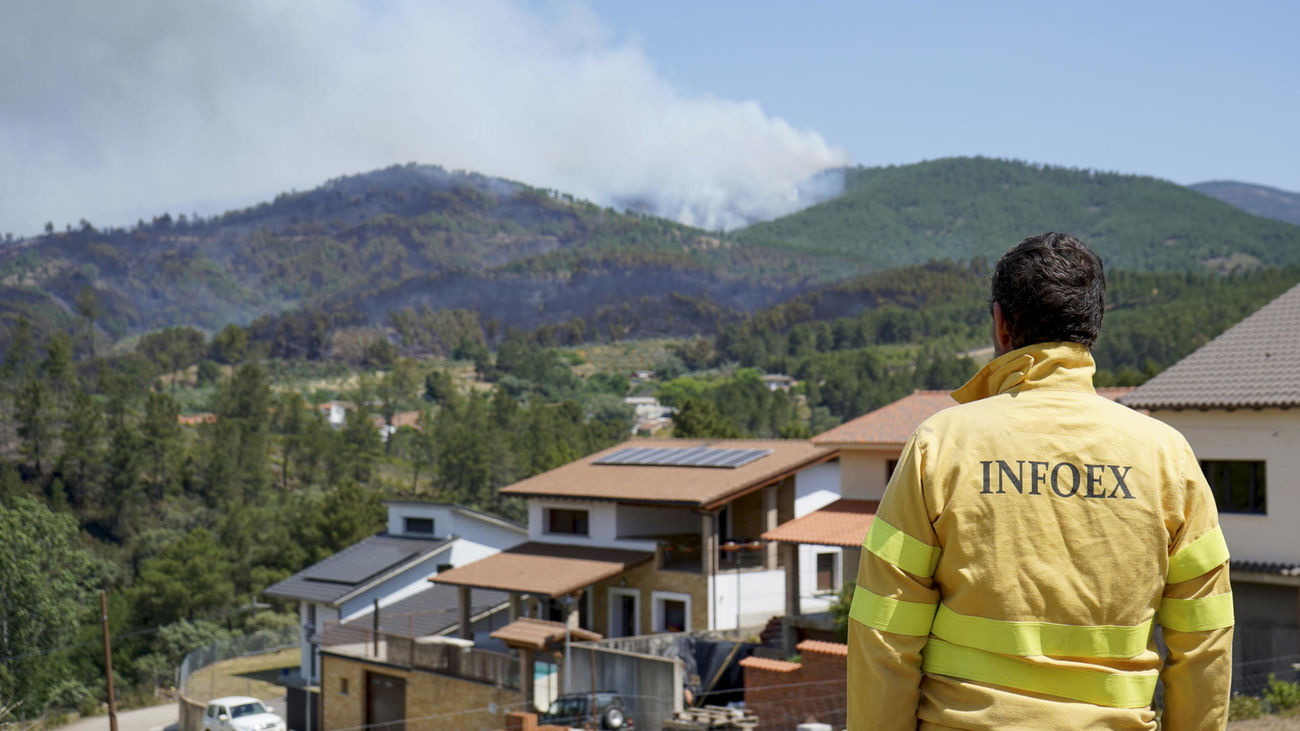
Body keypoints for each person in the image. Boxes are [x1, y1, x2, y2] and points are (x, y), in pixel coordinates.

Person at [847, 233, 1233, 730]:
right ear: (1091, 329)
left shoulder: (940, 445)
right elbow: (1205, 640)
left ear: (1001, 324)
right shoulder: (1165, 455)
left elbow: (884, 630)